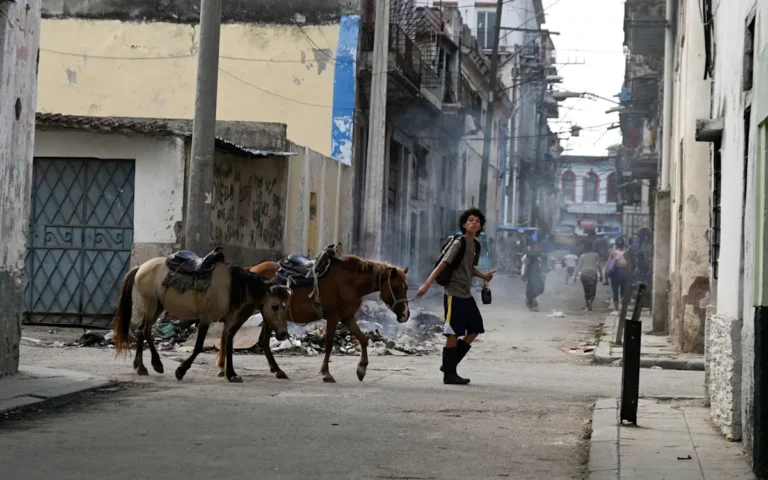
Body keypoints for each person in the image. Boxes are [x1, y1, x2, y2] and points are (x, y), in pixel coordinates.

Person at [418, 208, 495, 385]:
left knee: (476, 328)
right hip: (453, 292)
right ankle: (450, 374)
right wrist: (426, 285)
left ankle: (449, 365)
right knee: (453, 331)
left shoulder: (476, 245)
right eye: (470, 220)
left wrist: (484, 276)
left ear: (481, 226)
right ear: (464, 224)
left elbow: (469, 267)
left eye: (477, 221)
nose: (474, 223)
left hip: (466, 293)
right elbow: (443, 264)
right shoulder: (458, 243)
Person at [575, 243, 603, 310]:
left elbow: (579, 266)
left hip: (584, 273)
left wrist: (575, 276)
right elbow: (599, 265)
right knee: (593, 289)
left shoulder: (582, 256)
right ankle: (590, 300)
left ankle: (587, 303)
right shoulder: (595, 255)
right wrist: (601, 274)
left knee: (586, 290)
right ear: (592, 248)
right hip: (593, 273)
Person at [607, 237, 631, 312]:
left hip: (615, 272)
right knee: (623, 290)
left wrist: (607, 272)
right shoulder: (626, 252)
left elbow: (610, 264)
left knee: (615, 291)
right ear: (623, 244)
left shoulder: (613, 252)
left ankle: (616, 309)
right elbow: (629, 264)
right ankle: (624, 308)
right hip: (624, 272)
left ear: (616, 244)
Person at [522, 243, 545, 311]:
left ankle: (530, 300)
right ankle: (530, 303)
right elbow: (526, 264)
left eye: (540, 247)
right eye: (538, 247)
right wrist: (524, 274)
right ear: (534, 247)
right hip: (530, 274)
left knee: (540, 288)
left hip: (536, 274)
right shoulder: (530, 254)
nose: (539, 248)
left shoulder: (538, 254)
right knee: (531, 288)